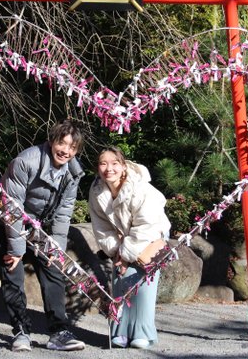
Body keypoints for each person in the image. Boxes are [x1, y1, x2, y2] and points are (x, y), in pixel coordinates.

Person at [0, 119, 86, 352]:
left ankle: (58, 331)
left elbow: (64, 212)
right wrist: (17, 251)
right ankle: (21, 331)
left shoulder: (73, 172)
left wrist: (57, 249)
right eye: (62, 143)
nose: (66, 151)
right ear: (52, 141)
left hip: (37, 224)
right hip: (5, 219)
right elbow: (12, 208)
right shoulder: (25, 161)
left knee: (53, 268)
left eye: (72, 147)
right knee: (13, 272)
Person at [88, 146, 171, 349]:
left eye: (115, 163)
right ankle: (120, 331)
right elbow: (101, 227)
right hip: (121, 241)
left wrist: (126, 254)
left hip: (150, 236)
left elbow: (147, 225)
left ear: (123, 166)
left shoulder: (139, 187)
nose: (109, 169)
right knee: (120, 282)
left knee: (143, 284)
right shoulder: (96, 190)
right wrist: (117, 251)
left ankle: (142, 332)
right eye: (103, 163)